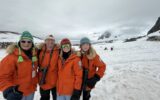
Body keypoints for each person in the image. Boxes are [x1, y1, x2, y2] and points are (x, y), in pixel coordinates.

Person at [0, 31, 38, 100]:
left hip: (30, 91)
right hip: (17, 93)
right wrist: (8, 90)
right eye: (23, 41)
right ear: (19, 42)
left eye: (29, 41)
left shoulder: (34, 55)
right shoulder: (11, 57)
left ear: (32, 43)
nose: (26, 44)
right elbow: (2, 76)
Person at [38, 35, 59, 100]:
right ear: (45, 41)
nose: (50, 42)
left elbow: (68, 52)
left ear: (54, 42)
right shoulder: (39, 51)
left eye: (52, 40)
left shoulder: (59, 51)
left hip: (56, 82)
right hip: (43, 81)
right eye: (48, 40)